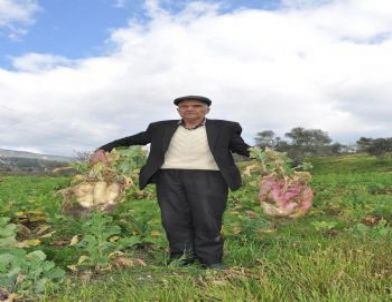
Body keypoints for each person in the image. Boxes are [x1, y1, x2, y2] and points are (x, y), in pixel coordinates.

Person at [91, 95, 250, 269]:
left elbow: (243, 149)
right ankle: (181, 257)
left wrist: (270, 160)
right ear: (178, 111)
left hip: (209, 177)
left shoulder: (225, 128)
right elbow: (133, 140)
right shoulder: (160, 128)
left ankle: (211, 260)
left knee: (208, 218)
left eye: (196, 106)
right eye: (185, 106)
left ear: (207, 110)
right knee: (173, 219)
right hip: (169, 177)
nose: (190, 109)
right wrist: (104, 148)